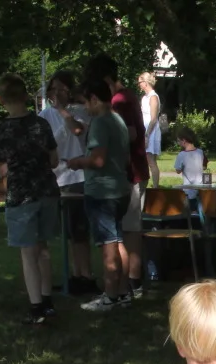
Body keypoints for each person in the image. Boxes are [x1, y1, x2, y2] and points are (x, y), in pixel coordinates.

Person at [0, 73, 61, 325]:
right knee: (43, 248)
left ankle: (36, 307)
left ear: (1, 100)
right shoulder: (41, 125)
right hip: (47, 191)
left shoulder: (0, 131)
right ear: (26, 96)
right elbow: (54, 160)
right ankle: (47, 301)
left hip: (20, 195)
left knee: (28, 253)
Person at [85, 54, 149, 298]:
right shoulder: (124, 97)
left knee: (127, 231)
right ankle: (126, 285)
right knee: (121, 233)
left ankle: (131, 282)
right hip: (126, 173)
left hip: (129, 173)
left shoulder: (120, 100)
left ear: (106, 79)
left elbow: (130, 134)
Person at [68, 79, 132, 311]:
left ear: (95, 99)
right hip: (120, 189)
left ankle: (110, 296)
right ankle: (123, 292)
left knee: (107, 245)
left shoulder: (100, 122)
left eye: (86, 102)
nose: (85, 108)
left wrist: (77, 162)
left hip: (103, 193)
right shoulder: (118, 120)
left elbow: (97, 160)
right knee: (118, 241)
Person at [40, 70, 97, 295]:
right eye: (53, 89)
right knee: (68, 232)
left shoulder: (79, 111)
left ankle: (86, 275)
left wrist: (63, 110)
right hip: (57, 176)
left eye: (62, 89)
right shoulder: (44, 116)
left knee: (79, 231)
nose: (57, 93)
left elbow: (77, 130)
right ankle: (75, 274)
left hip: (78, 176)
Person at [139, 71, 162, 186]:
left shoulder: (153, 97)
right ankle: (145, 185)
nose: (139, 84)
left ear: (146, 82)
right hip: (145, 129)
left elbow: (153, 119)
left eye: (140, 82)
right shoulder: (145, 97)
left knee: (151, 161)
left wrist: (147, 135)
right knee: (144, 160)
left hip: (151, 131)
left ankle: (156, 187)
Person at [173, 127, 205, 203]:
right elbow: (204, 166)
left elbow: (178, 170)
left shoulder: (181, 155)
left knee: (189, 206)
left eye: (179, 141)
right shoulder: (200, 152)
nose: (178, 143)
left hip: (188, 189)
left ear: (184, 140)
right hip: (200, 188)